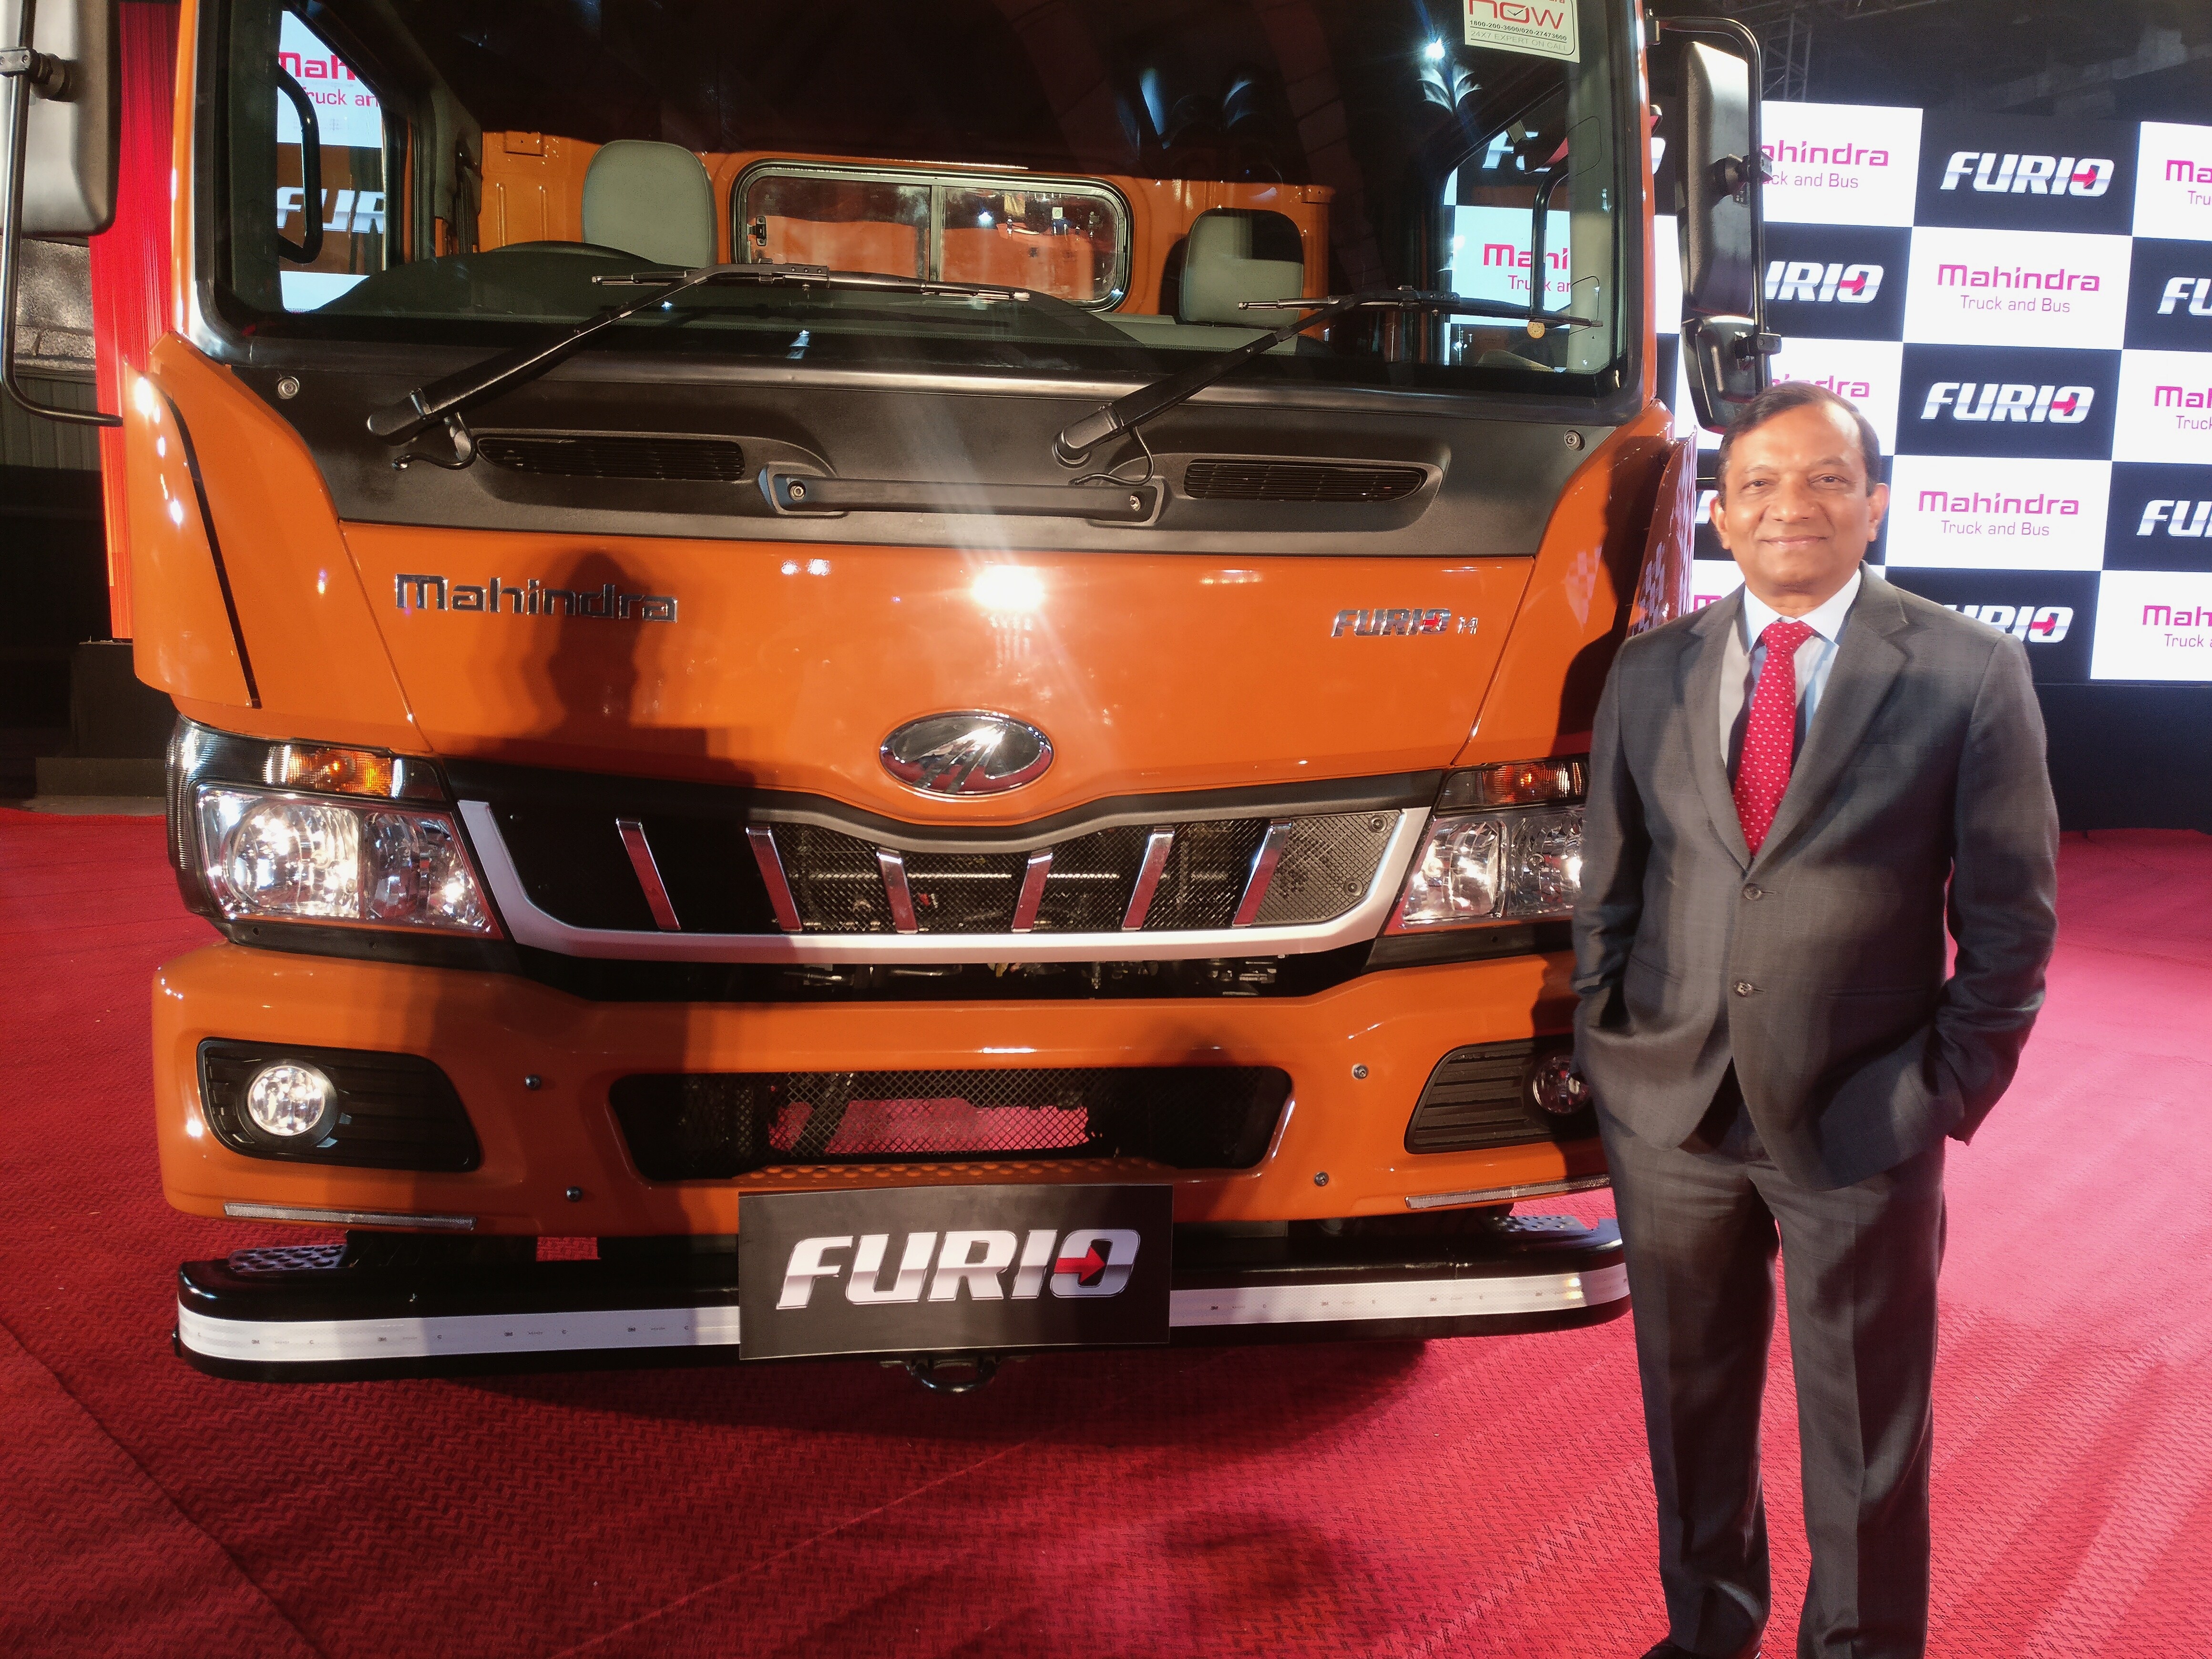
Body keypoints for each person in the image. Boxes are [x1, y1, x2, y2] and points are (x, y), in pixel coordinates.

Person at [1571, 381, 2059, 1659]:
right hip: (1669, 1110)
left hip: (1861, 1113)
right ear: (1721, 515)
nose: (1794, 505)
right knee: (1691, 1409)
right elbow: (1610, 887)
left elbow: (2013, 922)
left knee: (1866, 1439)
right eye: (1762, 484)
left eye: (1828, 479)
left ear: (1876, 501)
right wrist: (1609, 1050)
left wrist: (1934, 1095)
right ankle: (1707, 1631)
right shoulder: (1650, 670)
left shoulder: (1967, 669)